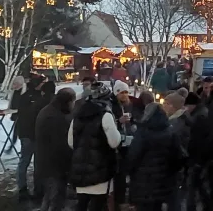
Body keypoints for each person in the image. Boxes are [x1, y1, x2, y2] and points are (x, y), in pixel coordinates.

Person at [69, 82, 122, 211]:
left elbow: (71, 142)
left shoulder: (77, 116)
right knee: (98, 205)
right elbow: (114, 142)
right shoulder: (105, 115)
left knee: (81, 204)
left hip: (80, 168)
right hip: (100, 168)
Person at [128, 103, 187, 211]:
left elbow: (133, 156)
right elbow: (179, 157)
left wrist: (131, 172)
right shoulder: (171, 132)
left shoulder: (142, 133)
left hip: (143, 183)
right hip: (164, 183)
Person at [36, 88, 77, 211]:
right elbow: (60, 144)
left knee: (49, 198)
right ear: (68, 101)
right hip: (54, 166)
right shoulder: (54, 117)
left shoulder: (50, 111)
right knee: (55, 200)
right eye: (73, 102)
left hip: (47, 164)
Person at [111, 80, 144, 209]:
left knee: (133, 173)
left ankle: (132, 200)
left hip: (132, 143)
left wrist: (134, 122)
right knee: (120, 175)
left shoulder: (134, 105)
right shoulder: (112, 107)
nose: (124, 95)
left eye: (126, 92)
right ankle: (119, 200)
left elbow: (140, 119)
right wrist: (119, 122)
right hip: (119, 144)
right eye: (121, 93)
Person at [16, 74, 46, 201]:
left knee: (24, 161)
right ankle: (37, 189)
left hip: (24, 132)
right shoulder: (39, 98)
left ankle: (22, 188)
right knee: (36, 163)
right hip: (33, 133)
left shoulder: (23, 96)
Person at [6, 76, 26, 153]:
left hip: (22, 114)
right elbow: (12, 101)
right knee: (16, 131)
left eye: (15, 84)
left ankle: (19, 148)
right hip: (15, 113)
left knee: (20, 132)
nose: (13, 85)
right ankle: (12, 146)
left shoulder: (24, 91)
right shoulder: (15, 91)